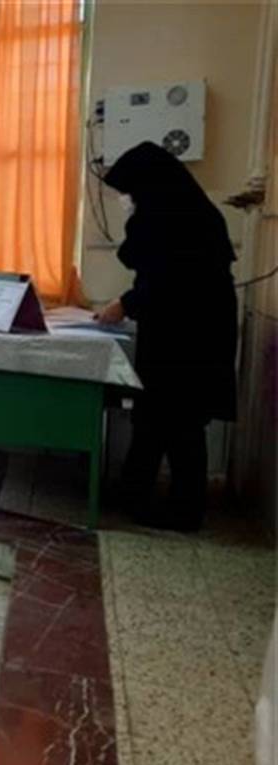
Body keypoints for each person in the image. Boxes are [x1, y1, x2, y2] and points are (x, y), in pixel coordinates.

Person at [95, 141, 238, 531]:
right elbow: (144, 262)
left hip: (189, 337)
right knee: (160, 417)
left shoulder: (176, 217)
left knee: (179, 421)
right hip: (183, 331)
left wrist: (123, 305)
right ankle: (138, 496)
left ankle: (182, 511)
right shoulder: (185, 210)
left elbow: (166, 281)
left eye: (131, 192)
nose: (128, 200)